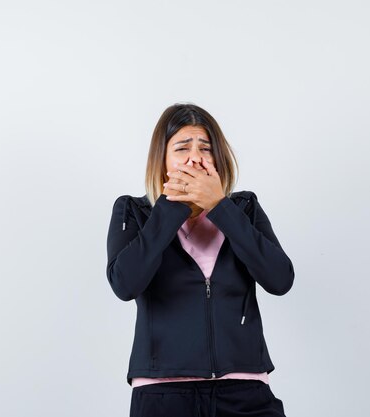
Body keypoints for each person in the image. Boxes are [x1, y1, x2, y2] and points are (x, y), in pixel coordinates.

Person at [106, 103, 294, 417]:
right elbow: (125, 284)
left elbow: (280, 279)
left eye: (205, 148)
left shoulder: (243, 208)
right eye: (182, 148)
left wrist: (220, 207)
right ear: (162, 160)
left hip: (245, 391)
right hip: (162, 394)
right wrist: (171, 209)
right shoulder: (133, 212)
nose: (196, 158)